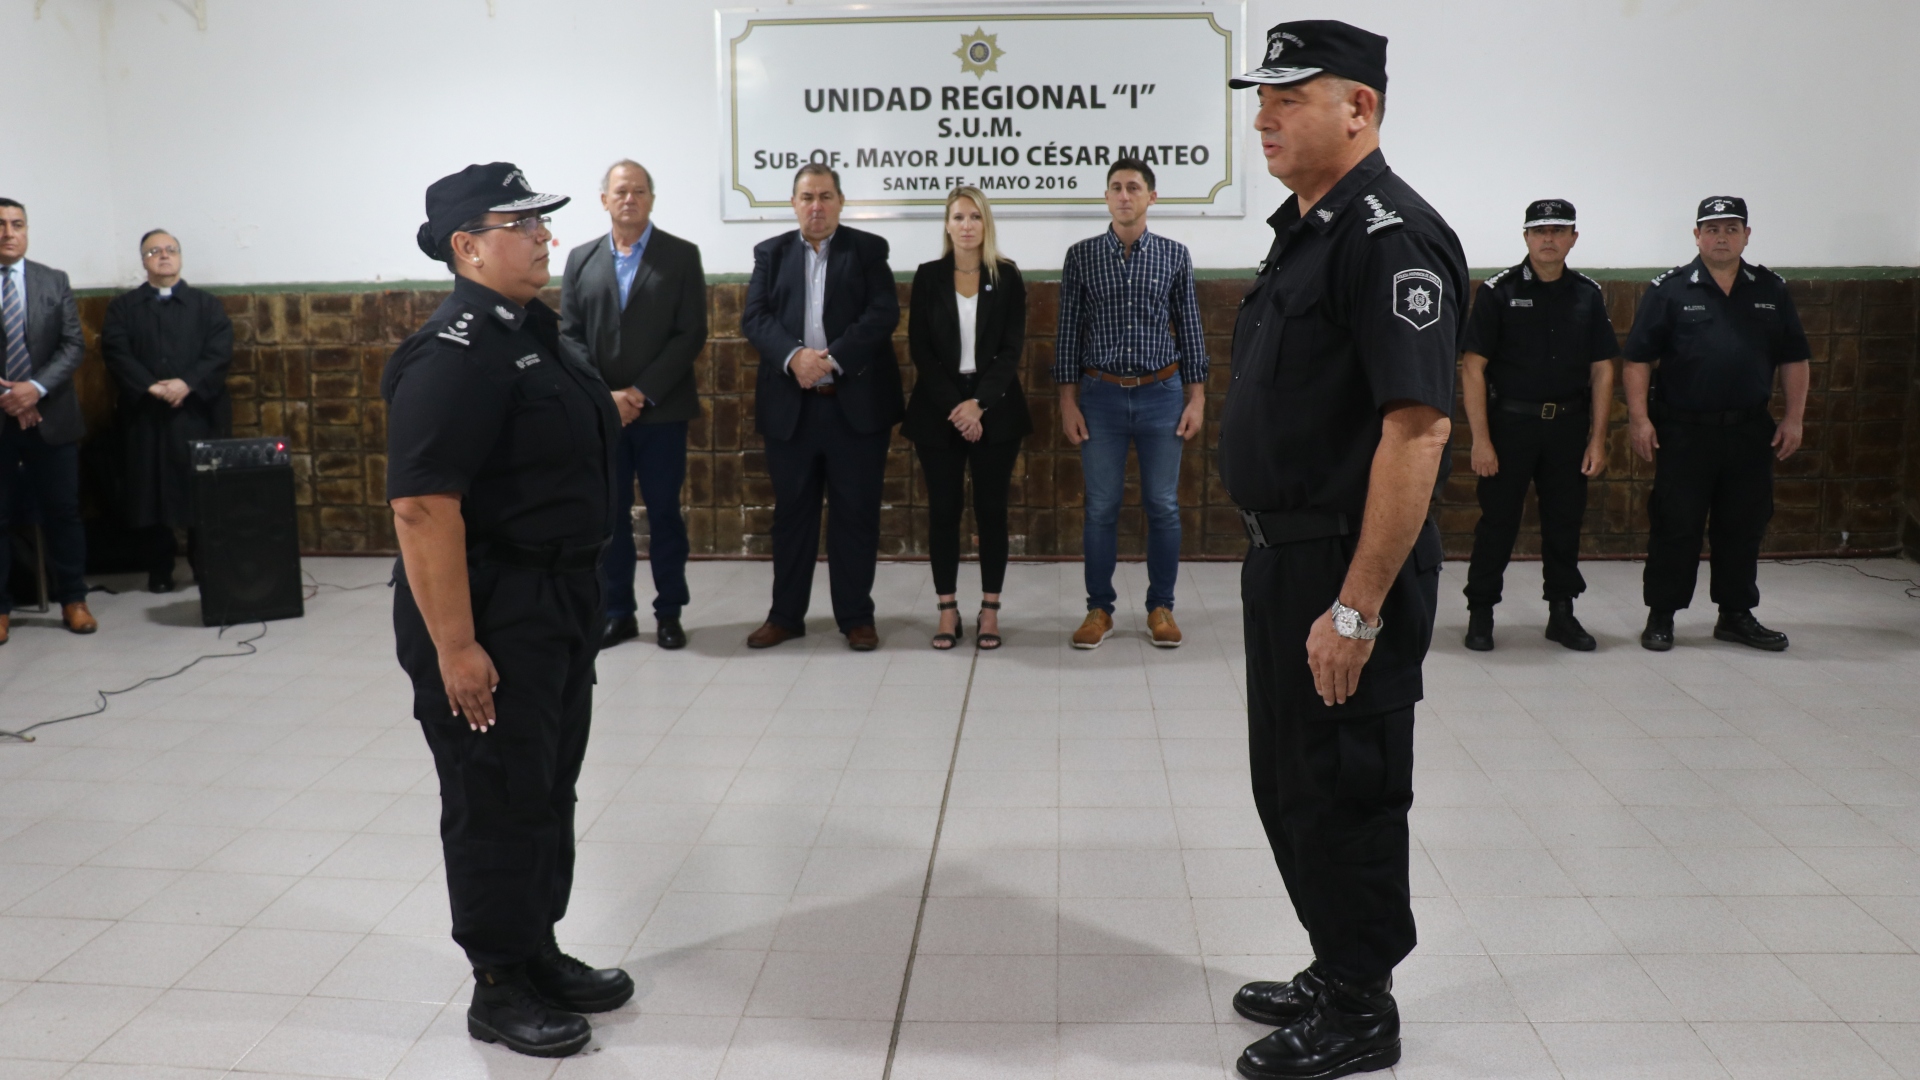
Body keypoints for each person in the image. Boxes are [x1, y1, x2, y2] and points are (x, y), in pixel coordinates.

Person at [1218, 21, 1465, 1079]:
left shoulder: (1389, 239)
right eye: (1260, 99)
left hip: (1343, 566)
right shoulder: (1310, 231)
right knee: (1292, 784)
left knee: (1348, 787)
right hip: (1288, 562)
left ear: (1358, 108)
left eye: (1289, 97)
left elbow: (1418, 432)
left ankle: (1363, 1008)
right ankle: (1336, 960)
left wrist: (1357, 608)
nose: (1263, 118)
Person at [383, 163, 631, 1059]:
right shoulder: (452, 353)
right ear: (468, 246)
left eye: (540, 224)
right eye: (520, 225)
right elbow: (423, 508)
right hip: (492, 607)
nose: (542, 237)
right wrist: (456, 647)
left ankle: (536, 948)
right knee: (494, 795)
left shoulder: (536, 332)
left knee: (546, 786)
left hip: (556, 600)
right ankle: (498, 983)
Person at [1624, 197, 1808, 652]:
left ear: (1747, 235)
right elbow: (1638, 360)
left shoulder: (1771, 289)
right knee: (1676, 524)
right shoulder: (1669, 290)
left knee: (1743, 525)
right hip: (1684, 431)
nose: (1721, 237)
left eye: (1730, 229)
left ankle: (1735, 615)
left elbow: (1794, 358)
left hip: (1749, 431)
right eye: (1711, 229)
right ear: (1697, 236)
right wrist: (1639, 419)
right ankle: (1662, 614)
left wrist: (1794, 418)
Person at [741, 163, 903, 651]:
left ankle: (856, 617)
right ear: (793, 204)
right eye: (807, 197)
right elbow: (755, 317)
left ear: (840, 202)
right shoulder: (769, 254)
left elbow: (883, 313)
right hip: (792, 409)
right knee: (792, 517)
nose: (817, 206)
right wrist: (795, 358)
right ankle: (785, 616)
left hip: (854, 407)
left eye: (826, 196)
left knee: (856, 515)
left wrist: (830, 360)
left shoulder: (868, 250)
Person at [1054, 158, 1207, 649]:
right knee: (1101, 507)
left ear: (1151, 197)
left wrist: (1197, 397)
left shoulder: (1173, 255)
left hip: (1162, 395)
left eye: (1134, 187)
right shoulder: (1081, 256)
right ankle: (1099, 610)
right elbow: (1067, 332)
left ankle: (1161, 607)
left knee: (1163, 505)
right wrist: (1068, 402)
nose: (1124, 195)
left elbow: (1190, 327)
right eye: (1116, 187)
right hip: (1099, 396)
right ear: (1106, 197)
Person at [560, 159, 707, 652]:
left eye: (639, 191)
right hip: (603, 415)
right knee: (610, 517)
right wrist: (606, 396)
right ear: (604, 199)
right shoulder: (580, 259)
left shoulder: (681, 256)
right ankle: (618, 612)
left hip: (662, 412)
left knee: (665, 515)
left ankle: (670, 613)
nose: (630, 198)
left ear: (651, 199)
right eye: (621, 191)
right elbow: (570, 335)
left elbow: (691, 332)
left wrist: (640, 392)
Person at [1458, 200, 1618, 652]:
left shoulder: (1587, 294)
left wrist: (1597, 439)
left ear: (1573, 238)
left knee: (1564, 522)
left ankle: (1562, 614)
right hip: (1510, 426)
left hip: (1568, 426)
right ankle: (1481, 612)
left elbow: (1603, 369)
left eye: (1559, 230)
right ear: (1526, 237)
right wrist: (1481, 441)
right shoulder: (1498, 291)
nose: (1549, 239)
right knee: (1497, 523)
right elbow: (1473, 368)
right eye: (1540, 231)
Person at [904, 186, 1030, 650]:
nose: (967, 225)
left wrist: (979, 403)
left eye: (975, 216)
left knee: (992, 511)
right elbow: (921, 349)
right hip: (939, 408)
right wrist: (957, 408)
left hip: (995, 406)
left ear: (986, 223)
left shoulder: (1007, 275)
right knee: (944, 511)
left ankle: (990, 610)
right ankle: (947, 609)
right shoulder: (928, 276)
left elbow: (1011, 349)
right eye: (958, 216)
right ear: (947, 224)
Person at [100, 230, 235, 594]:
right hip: (146, 415)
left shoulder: (206, 306)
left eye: (170, 250)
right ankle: (160, 568)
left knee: (201, 489)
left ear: (180, 257)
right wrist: (151, 386)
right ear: (143, 261)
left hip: (196, 413)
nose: (163, 255)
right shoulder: (124, 308)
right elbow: (116, 352)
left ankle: (203, 563)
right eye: (154, 251)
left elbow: (219, 351)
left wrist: (186, 383)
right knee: (150, 492)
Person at [0, 197, 93, 642]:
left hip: (51, 416)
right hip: (1, 417)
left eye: (17, 224)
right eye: (0, 224)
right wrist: (9, 396)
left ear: (27, 230)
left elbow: (73, 346)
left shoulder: (53, 280)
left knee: (63, 512)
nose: (8, 233)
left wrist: (33, 389)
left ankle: (74, 599)